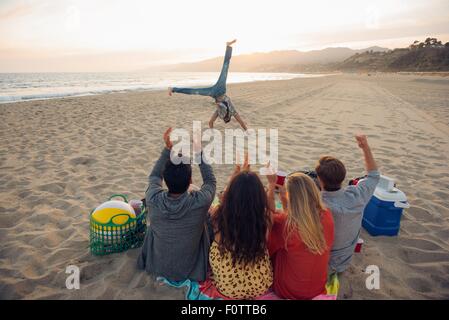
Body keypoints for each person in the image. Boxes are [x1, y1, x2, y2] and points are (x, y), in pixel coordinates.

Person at [137, 128, 216, 281]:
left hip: (156, 267)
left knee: (152, 225)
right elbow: (210, 181)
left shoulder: (153, 198)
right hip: (191, 270)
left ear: (165, 181)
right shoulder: (199, 202)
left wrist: (167, 149)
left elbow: (154, 176)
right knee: (208, 217)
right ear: (190, 181)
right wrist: (199, 150)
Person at [208, 156, 273, 299]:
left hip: (227, 286)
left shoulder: (219, 215)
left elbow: (224, 197)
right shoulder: (265, 218)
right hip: (259, 285)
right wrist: (271, 184)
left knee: (215, 245)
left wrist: (235, 175)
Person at [315, 134, 380, 273]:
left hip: (321, 264)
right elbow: (374, 175)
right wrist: (365, 148)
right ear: (343, 177)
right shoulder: (358, 196)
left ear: (319, 180)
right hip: (344, 261)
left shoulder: (317, 205)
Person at [266, 171, 334, 300]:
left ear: (290, 196)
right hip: (317, 288)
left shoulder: (284, 225)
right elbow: (298, 218)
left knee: (274, 249)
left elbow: (269, 217)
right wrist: (284, 197)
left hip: (288, 291)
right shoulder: (327, 215)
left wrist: (270, 187)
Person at [168, 40, 248, 131]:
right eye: (225, 118)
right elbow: (239, 121)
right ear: (227, 117)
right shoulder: (230, 111)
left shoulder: (224, 112)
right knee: (225, 67)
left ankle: (173, 89)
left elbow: (211, 122)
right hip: (218, 91)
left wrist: (212, 132)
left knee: (224, 67)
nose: (224, 118)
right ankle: (228, 47)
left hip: (216, 91)